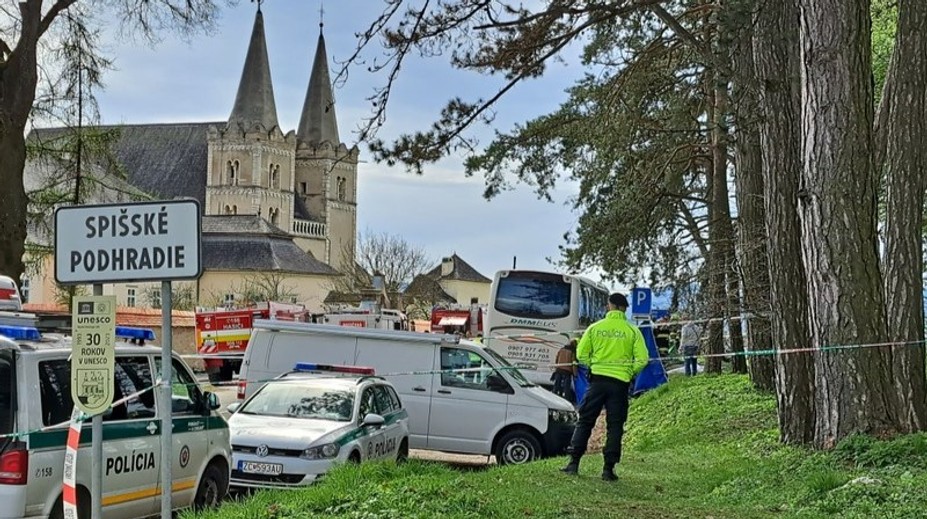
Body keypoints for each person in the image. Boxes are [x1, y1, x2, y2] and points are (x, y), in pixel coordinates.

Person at [561, 292, 649, 482]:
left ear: (609, 306)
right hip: (620, 384)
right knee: (615, 426)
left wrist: (593, 365)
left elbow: (581, 354)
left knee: (585, 420)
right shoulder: (632, 330)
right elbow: (643, 359)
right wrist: (629, 372)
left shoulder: (595, 328)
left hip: (597, 381)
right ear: (624, 308)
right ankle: (608, 469)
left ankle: (573, 463)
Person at [551, 340, 578, 404]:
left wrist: (557, 366)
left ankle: (553, 398)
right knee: (566, 388)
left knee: (556, 385)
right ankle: (566, 401)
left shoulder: (561, 349)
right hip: (567, 372)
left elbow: (557, 358)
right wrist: (575, 374)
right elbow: (574, 363)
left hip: (559, 369)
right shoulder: (572, 352)